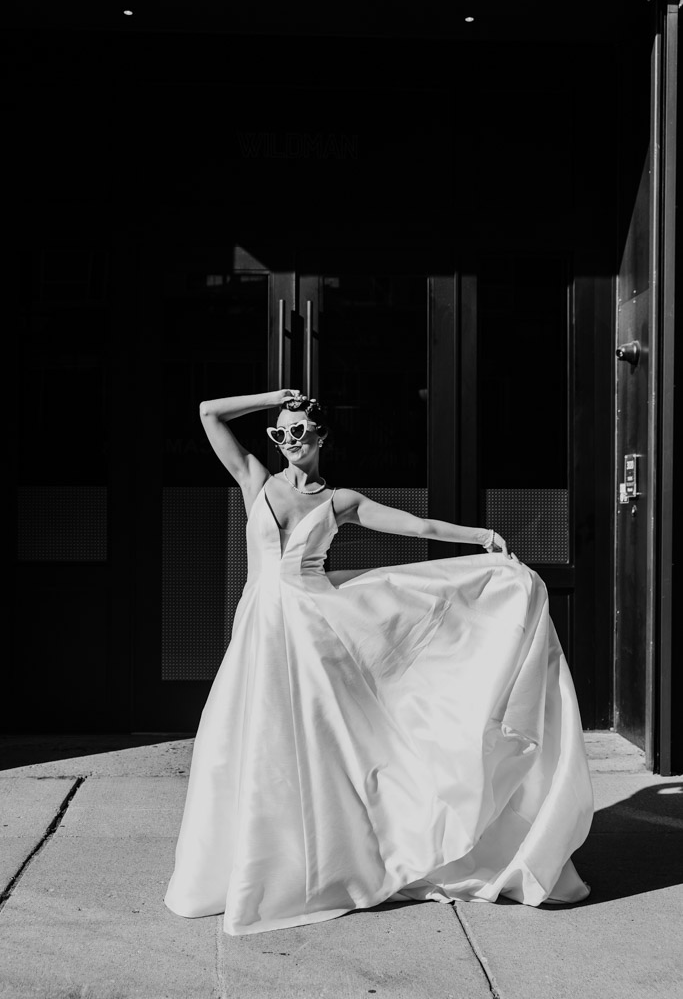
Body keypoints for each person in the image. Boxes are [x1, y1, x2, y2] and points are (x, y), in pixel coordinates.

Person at [163, 388, 593, 937]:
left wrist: (481, 535)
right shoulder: (256, 481)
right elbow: (208, 412)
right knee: (252, 744)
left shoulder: (339, 500)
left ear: (321, 437)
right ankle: (260, 866)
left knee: (324, 750)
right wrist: (276, 397)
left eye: (299, 432)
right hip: (260, 631)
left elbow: (417, 527)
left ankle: (341, 861)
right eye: (279, 432)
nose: (288, 441)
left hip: (313, 634)